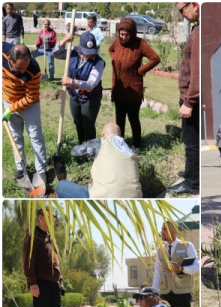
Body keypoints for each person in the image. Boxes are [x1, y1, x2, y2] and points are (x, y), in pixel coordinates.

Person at [108, 17, 160, 150]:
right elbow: (110, 50)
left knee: (133, 118)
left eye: (126, 35)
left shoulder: (140, 44)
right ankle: (120, 144)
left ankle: (137, 145)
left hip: (133, 90)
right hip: (119, 89)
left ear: (132, 33)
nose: (123, 37)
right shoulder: (116, 42)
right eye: (121, 34)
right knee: (119, 119)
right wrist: (117, 58)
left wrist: (141, 70)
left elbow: (155, 58)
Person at [55, 123, 143, 198]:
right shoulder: (128, 149)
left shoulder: (100, 142)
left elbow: (75, 152)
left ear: (103, 135)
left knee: (61, 186)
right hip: (134, 200)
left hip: (104, 201)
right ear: (120, 136)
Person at [2, 43, 47, 184]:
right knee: (16, 136)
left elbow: (31, 98)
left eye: (25, 67)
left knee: (35, 137)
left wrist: (10, 109)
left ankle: (41, 171)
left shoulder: (33, 70)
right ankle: (21, 168)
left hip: (29, 105)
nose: (23, 70)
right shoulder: (3, 53)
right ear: (10, 60)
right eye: (19, 67)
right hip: (8, 100)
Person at [23, 208, 65, 307]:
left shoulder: (51, 238)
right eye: (51, 216)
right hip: (40, 283)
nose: (54, 219)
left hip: (54, 284)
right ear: (40, 217)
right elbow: (28, 262)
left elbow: (56, 263)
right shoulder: (32, 236)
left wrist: (60, 282)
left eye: (55, 216)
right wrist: (32, 283)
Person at [167, 2, 199, 195]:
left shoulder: (200, 33)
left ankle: (192, 183)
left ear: (194, 5)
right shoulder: (197, 29)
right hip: (189, 97)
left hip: (191, 99)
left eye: (182, 10)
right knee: (189, 140)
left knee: (191, 142)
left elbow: (197, 73)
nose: (181, 14)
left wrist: (189, 102)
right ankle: (191, 172)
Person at [53, 32, 105, 144]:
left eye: (91, 52)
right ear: (80, 48)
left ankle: (91, 149)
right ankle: (82, 145)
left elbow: (91, 83)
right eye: (86, 52)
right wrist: (65, 40)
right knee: (77, 121)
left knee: (88, 124)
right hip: (74, 96)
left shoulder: (98, 62)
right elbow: (55, 54)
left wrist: (71, 81)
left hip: (90, 97)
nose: (88, 55)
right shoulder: (73, 51)